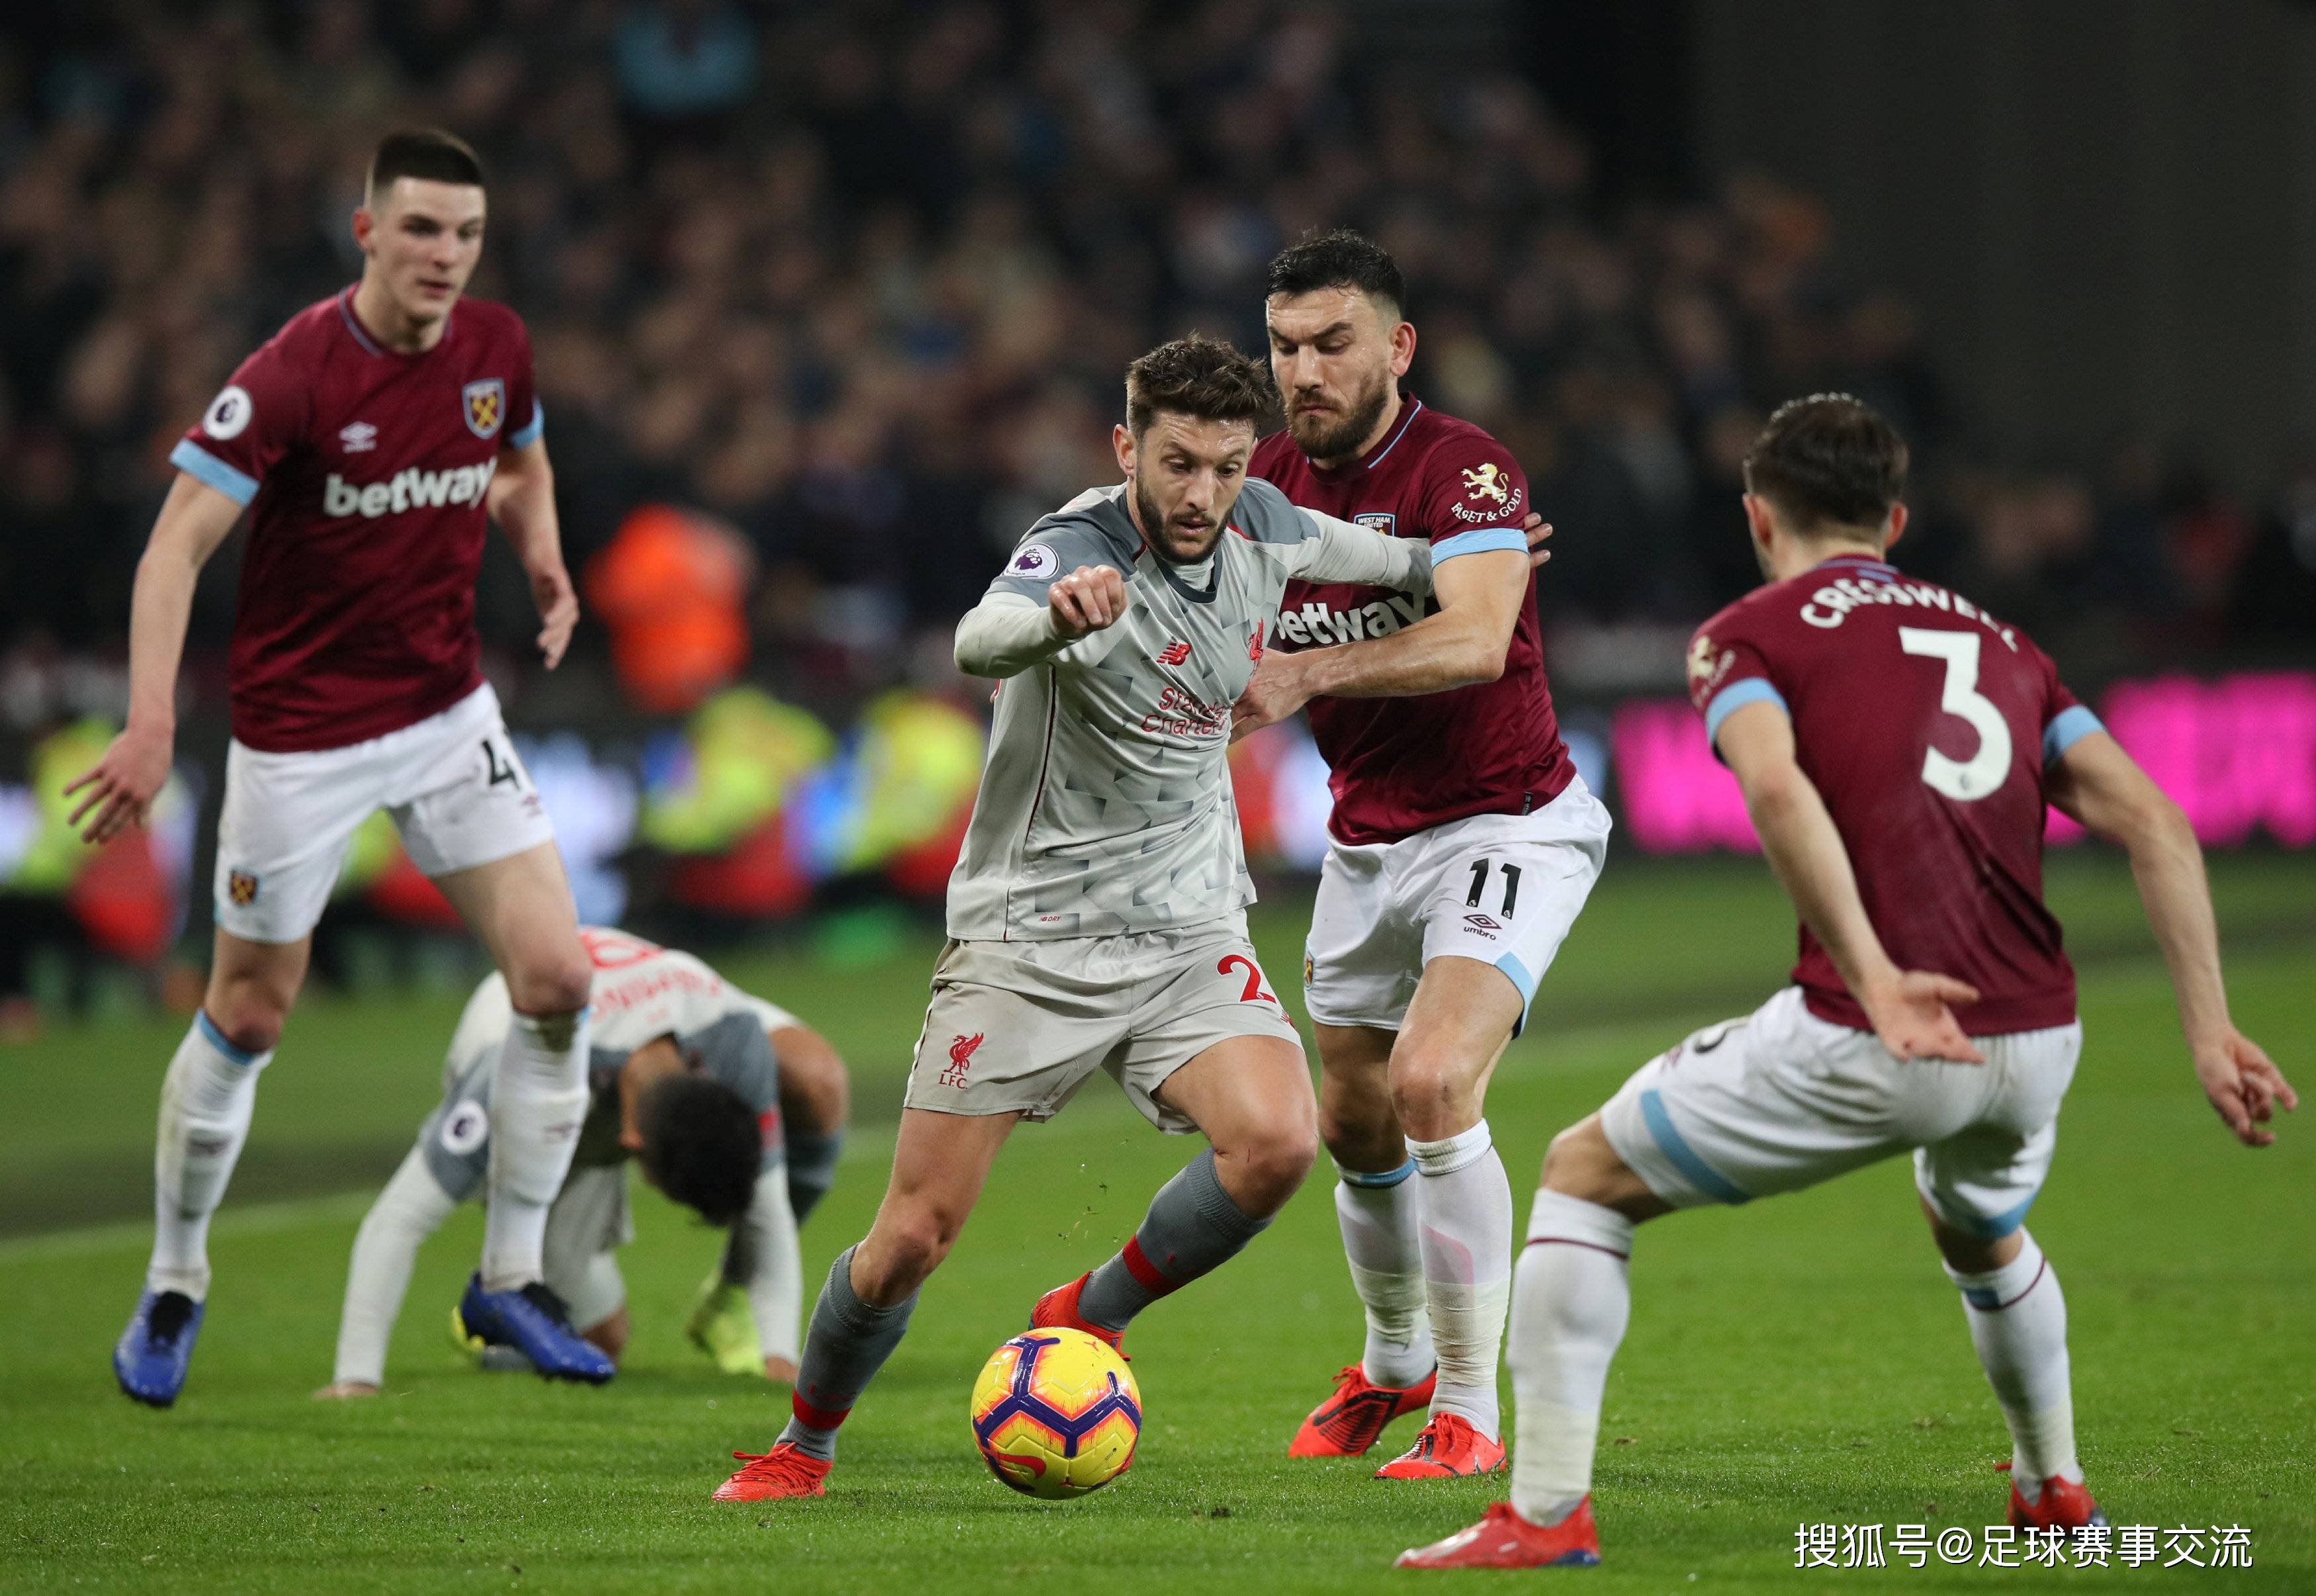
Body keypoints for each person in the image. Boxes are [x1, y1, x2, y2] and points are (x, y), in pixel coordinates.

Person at [1399, 394, 2297, 1569]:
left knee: (1581, 1177)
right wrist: (2212, 1033)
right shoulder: (2003, 644)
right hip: (2036, 1039)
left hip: (1879, 1028)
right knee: (1980, 1226)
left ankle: (1546, 1514)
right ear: (1896, 521)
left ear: (1759, 518)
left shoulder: (1749, 636)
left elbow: (1776, 788)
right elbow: (2158, 823)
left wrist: (1874, 978)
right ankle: (2053, 1489)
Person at [711, 335, 1452, 1503]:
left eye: (1224, 466)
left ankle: (1089, 1312)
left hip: (1187, 931)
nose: (1201, 493)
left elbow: (1407, 559)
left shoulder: (1270, 525)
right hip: (1030, 944)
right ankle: (802, 1445)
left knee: (1276, 1143)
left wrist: (1488, 548)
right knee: (911, 1237)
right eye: (1176, 463)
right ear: (1126, 449)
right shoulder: (1077, 546)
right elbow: (979, 638)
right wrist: (1053, 620)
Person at [69, 129, 606, 1405]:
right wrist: (150, 724)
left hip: (445, 715)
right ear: (366, 231)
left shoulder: (496, 347)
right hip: (299, 739)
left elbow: (519, 463)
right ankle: (175, 1277)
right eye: (420, 228)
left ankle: (510, 1277)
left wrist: (541, 552)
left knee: (559, 979)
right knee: (250, 1012)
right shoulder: (293, 374)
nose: (445, 255)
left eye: (466, 235)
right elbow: (172, 551)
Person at [1233, 230, 1610, 1478]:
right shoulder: (1262, 484)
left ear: (1397, 347)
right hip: (1366, 836)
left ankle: (1470, 1407)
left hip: (1508, 819)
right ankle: (1392, 1359)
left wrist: (1307, 672)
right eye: (1285, 347)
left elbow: (1478, 639)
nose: (1305, 371)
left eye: (1332, 343)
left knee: (1434, 1082)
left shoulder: (1465, 469)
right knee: (1352, 1115)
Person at [315, 926, 850, 1396]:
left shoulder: (734, 1039)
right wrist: (357, 1380)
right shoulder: (521, 1067)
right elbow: (400, 1217)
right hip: (530, 1097)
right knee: (600, 1341)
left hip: (646, 1019)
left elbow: (767, 1207)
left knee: (600, 1344)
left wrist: (781, 1360)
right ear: (632, 1149)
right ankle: (489, 1309)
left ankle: (726, 1303)